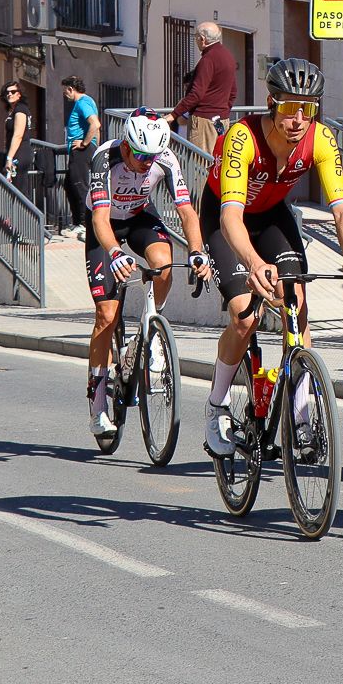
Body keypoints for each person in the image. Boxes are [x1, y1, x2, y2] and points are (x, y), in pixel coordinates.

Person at [199, 58, 343, 457]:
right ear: (272, 104)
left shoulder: (322, 139)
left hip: (273, 215)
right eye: (289, 108)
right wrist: (255, 263)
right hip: (228, 217)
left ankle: (301, 413)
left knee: (297, 304)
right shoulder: (241, 138)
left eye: (307, 109)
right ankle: (216, 405)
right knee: (245, 315)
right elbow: (230, 217)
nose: (297, 119)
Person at [81, 110, 212, 439]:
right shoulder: (104, 158)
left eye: (151, 156)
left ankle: (150, 331)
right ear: (126, 145)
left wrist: (197, 250)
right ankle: (97, 407)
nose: (145, 162)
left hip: (140, 215)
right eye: (140, 154)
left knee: (163, 263)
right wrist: (113, 253)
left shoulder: (164, 158)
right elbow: (99, 219)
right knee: (105, 314)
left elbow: (186, 210)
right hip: (106, 222)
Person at [165, 21, 238, 156]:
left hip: (204, 121)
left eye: (196, 37)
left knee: (199, 165)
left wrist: (173, 115)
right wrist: (223, 111)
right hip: (222, 121)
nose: (196, 40)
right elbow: (233, 92)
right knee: (217, 162)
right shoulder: (228, 56)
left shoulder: (208, 60)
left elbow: (196, 94)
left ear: (202, 39)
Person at [61, 76, 101, 235]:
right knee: (69, 184)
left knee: (80, 186)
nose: (65, 95)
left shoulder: (83, 103)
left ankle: (87, 225)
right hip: (82, 150)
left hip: (81, 151)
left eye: (65, 91)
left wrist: (85, 143)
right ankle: (78, 222)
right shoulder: (87, 101)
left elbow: (95, 124)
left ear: (71, 89)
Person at [0, 83, 31, 179]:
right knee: (11, 188)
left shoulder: (20, 109)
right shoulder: (13, 110)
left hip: (19, 153)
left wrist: (9, 158)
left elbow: (18, 135)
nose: (9, 94)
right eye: (7, 92)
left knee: (17, 189)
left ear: (19, 94)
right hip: (14, 153)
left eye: (13, 92)